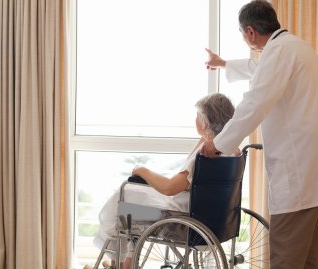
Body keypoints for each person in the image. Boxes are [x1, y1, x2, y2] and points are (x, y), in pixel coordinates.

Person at [203, 0, 318, 269]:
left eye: (243, 34)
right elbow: (260, 70)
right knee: (308, 257)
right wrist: (224, 64)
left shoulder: (279, 53)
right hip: (314, 165)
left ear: (250, 32)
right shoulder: (294, 47)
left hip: (299, 168)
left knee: (286, 256)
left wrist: (218, 144)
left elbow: (255, 102)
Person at [84, 93, 235, 269]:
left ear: (204, 122)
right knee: (131, 209)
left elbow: (170, 187)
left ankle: (120, 261)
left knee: (123, 200)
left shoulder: (202, 157)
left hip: (180, 218)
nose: (195, 119)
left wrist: (143, 170)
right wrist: (205, 136)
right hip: (211, 218)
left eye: (197, 115)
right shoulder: (229, 151)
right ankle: (126, 261)